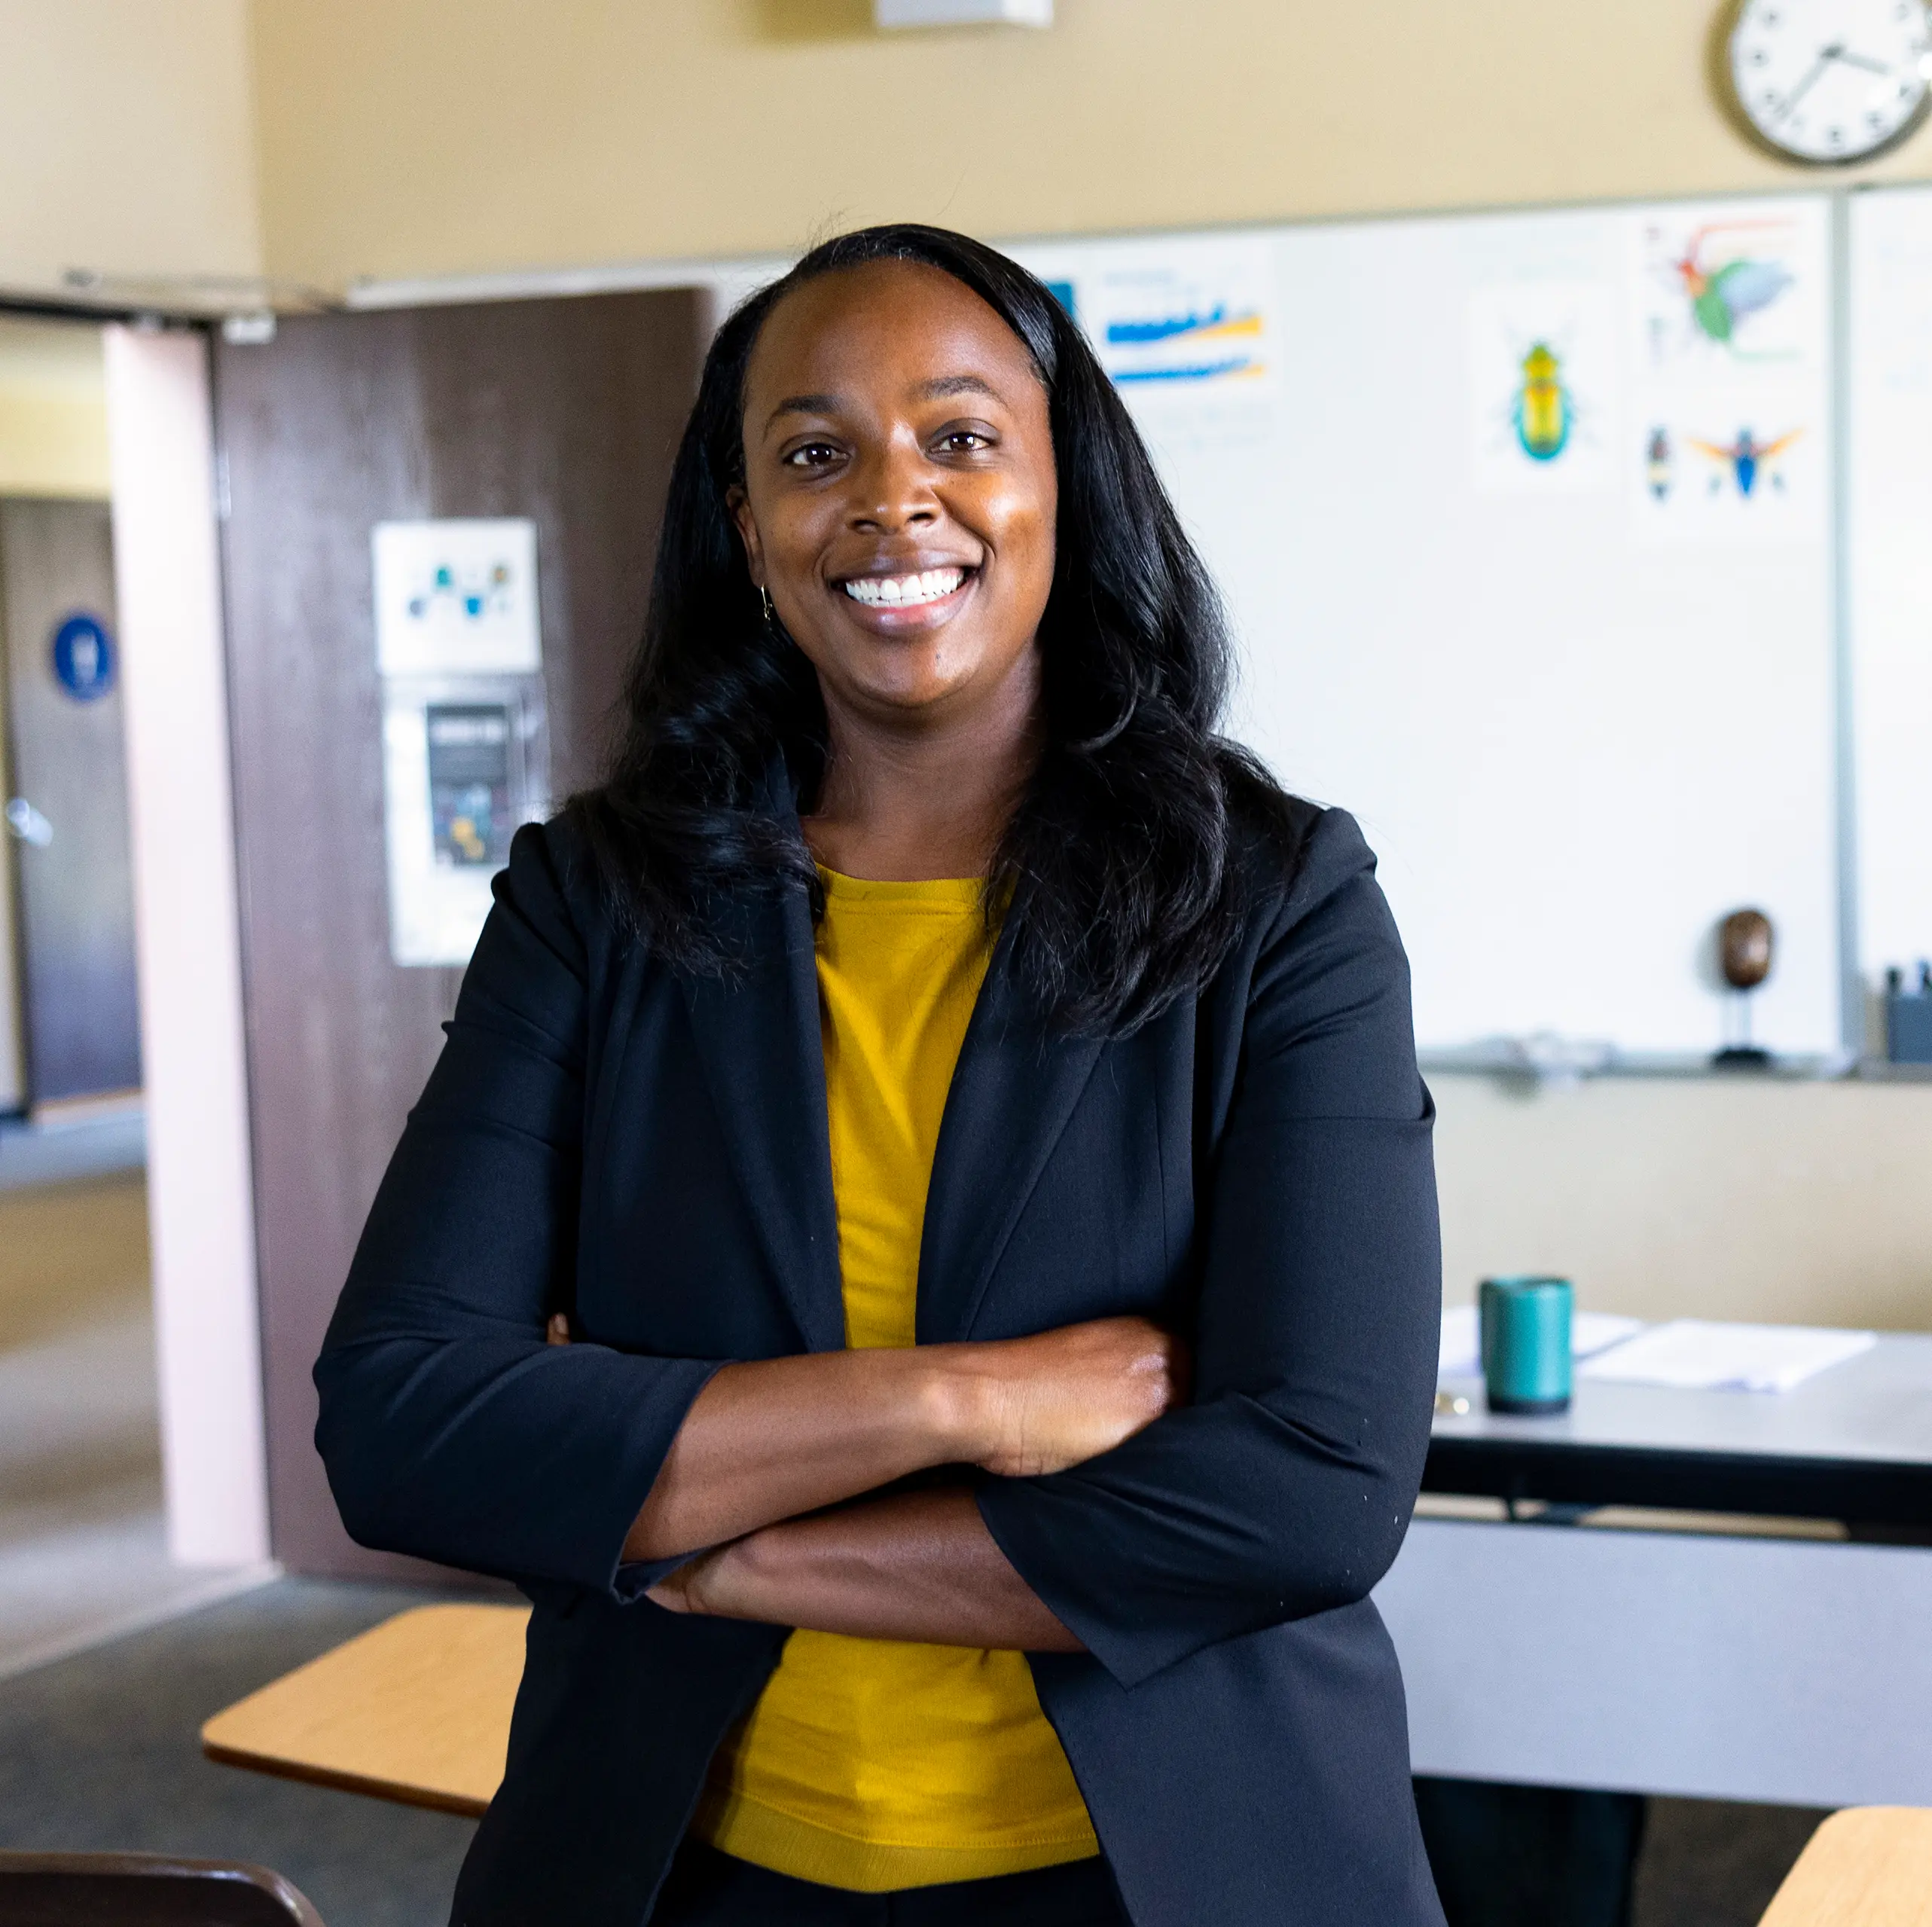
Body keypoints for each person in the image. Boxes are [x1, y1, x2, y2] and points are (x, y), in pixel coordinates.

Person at [316, 224, 1445, 1927]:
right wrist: (965, 1401)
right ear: (745, 525)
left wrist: (706, 1539)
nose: (893, 498)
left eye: (962, 435)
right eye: (814, 454)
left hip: (1164, 1875)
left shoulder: (1277, 900)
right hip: (689, 1873)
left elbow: (1310, 1489)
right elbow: (401, 1419)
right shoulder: (593, 903)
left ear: (1068, 487)